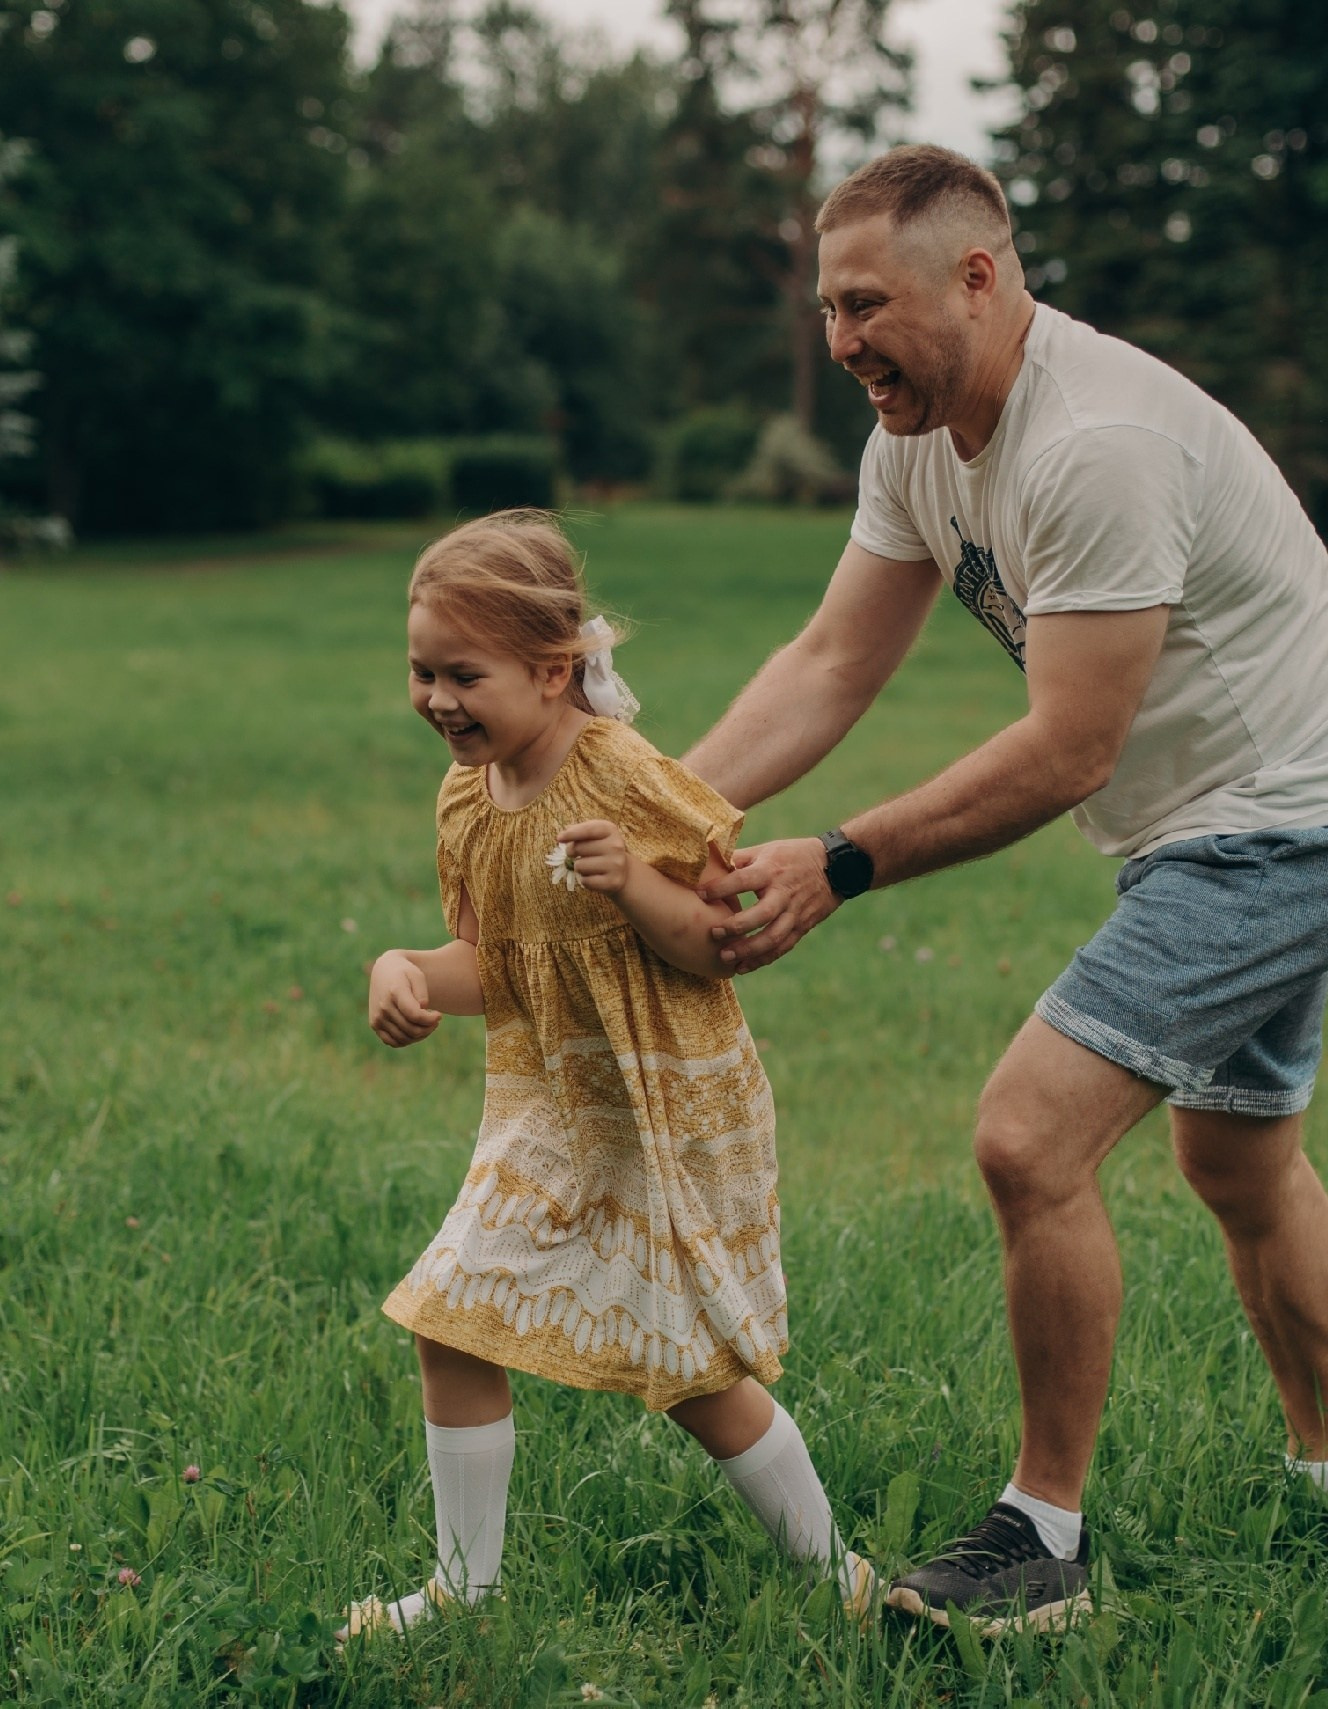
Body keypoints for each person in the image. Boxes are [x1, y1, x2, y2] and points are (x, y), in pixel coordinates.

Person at [681, 146, 1328, 1635]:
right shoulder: (920, 434)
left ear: (981, 274)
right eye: (828, 311)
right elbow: (835, 660)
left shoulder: (1093, 440)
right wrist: (664, 814)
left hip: (1291, 826)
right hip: (1237, 820)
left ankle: (1043, 1541)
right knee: (1238, 1165)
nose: (842, 345)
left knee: (1030, 1137)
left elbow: (1069, 748)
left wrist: (836, 861)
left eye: (866, 306)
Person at [344, 511, 877, 1641]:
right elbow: (499, 967)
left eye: (463, 674)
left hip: (660, 1105)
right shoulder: (465, 798)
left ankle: (840, 1579)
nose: (437, 697)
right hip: (549, 1104)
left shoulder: (623, 778)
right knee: (449, 1318)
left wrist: (633, 880)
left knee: (689, 1372)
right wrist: (405, 971)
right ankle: (462, 1590)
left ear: (552, 670)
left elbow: (711, 944)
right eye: (420, 669)